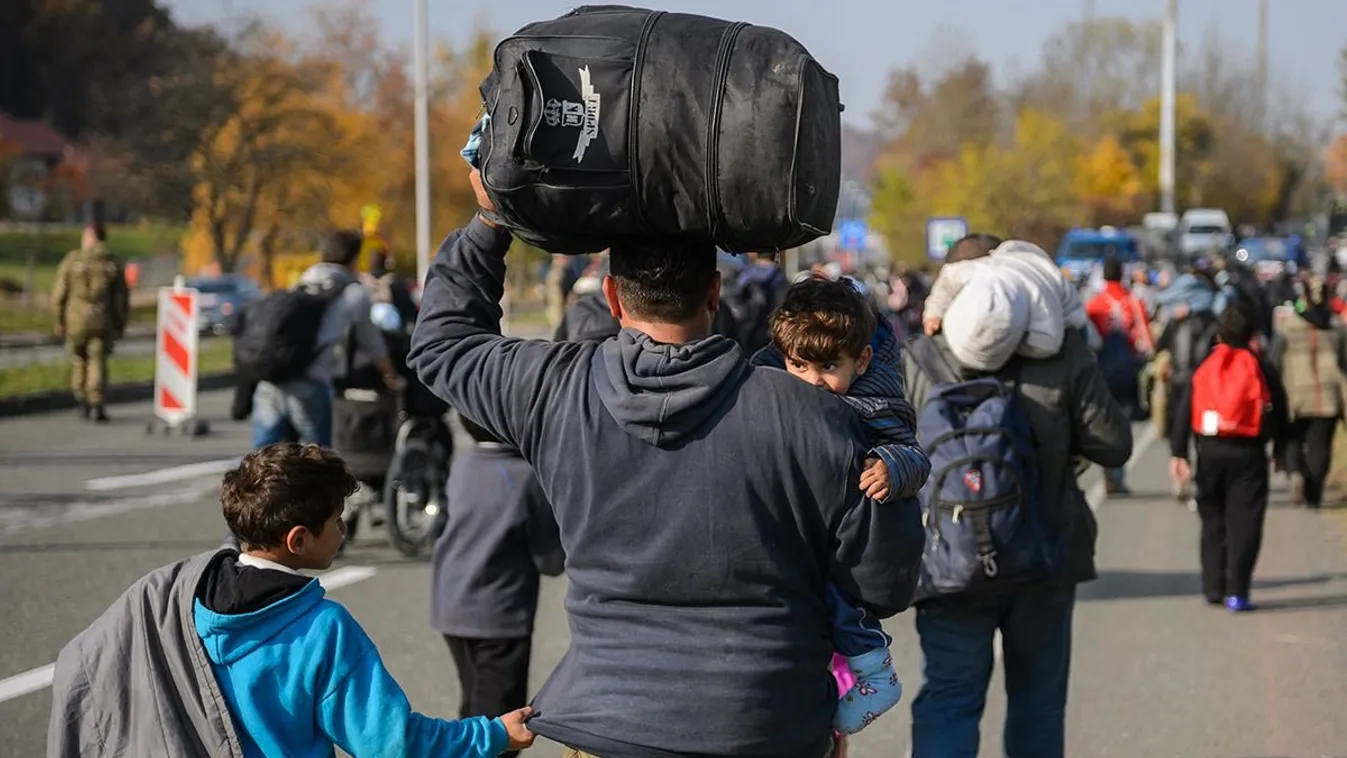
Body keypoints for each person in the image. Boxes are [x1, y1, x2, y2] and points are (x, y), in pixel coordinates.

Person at [408, 169, 924, 758]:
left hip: (608, 725)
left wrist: (490, 223)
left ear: (611, 298)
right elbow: (884, 581)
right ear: (713, 294)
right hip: (769, 722)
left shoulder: (552, 389)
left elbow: (442, 344)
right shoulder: (814, 413)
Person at [49, 443, 535, 758]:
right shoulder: (322, 629)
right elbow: (392, 744)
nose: (344, 530)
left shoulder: (172, 596)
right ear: (299, 539)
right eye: (338, 521)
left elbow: (84, 667)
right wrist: (492, 735)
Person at [901, 269, 1133, 757]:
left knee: (949, 698)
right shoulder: (1063, 356)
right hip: (1044, 558)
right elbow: (1114, 445)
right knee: (1038, 704)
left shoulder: (920, 358)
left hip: (949, 562)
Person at [753, 275, 930, 735]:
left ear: (862, 359)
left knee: (839, 600)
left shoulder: (876, 398)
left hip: (846, 543)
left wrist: (891, 465)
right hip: (796, 532)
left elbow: (912, 452)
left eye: (829, 367)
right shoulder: (767, 384)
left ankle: (875, 670)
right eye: (800, 366)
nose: (813, 382)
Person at [432, 415, 564, 758]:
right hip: (500, 613)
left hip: (451, 605)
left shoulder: (462, 466)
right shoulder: (527, 476)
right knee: (500, 726)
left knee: (474, 711)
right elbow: (551, 561)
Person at [1170, 303, 1288, 610]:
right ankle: (1238, 591)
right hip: (1249, 452)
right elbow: (1280, 408)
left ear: (1219, 334)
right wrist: (1281, 448)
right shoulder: (1260, 365)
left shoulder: (1206, 365)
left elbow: (1185, 409)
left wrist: (1179, 452)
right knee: (1245, 521)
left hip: (1209, 451)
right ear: (1251, 335)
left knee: (1212, 519)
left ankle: (1213, 586)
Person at [251, 230, 404, 449]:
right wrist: (391, 376)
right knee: (317, 460)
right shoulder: (353, 292)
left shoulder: (303, 281)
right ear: (353, 258)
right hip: (311, 382)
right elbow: (372, 342)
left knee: (262, 459)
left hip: (272, 378)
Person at [1269, 278, 1347, 508]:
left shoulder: (1288, 327)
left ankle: (1295, 474)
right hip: (1328, 395)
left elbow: (1275, 361)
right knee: (1320, 445)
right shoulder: (1337, 327)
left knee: (1292, 439)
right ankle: (1314, 491)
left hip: (1294, 394)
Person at [1086, 258, 1155, 495]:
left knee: (1103, 422)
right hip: (1128, 370)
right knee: (1124, 422)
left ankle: (1108, 471)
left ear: (1103, 277)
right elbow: (1146, 340)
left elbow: (1087, 342)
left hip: (1102, 372)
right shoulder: (1133, 302)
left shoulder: (1094, 305)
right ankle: (1118, 473)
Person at [50, 221, 130, 422]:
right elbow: (120, 298)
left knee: (79, 360)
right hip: (102, 321)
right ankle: (97, 403)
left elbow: (59, 294)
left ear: (89, 236)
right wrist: (120, 323)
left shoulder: (72, 260)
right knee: (97, 361)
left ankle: (82, 400)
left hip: (75, 321)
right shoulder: (111, 263)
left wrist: (58, 320)